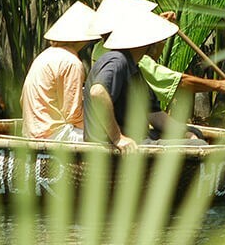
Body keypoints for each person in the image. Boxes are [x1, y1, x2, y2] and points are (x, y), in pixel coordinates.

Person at [87, 0, 225, 110]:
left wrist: (158, 31)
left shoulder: (101, 48)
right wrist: (220, 85)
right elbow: (178, 82)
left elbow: (150, 58)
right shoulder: (120, 58)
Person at [84, 9, 200, 151]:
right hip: (114, 146)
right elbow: (97, 92)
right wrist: (118, 138)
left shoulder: (134, 69)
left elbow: (154, 114)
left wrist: (185, 133)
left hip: (138, 138)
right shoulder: (117, 60)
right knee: (197, 145)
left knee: (195, 134)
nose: (158, 45)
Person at [21, 1, 98, 141]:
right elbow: (73, 114)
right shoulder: (72, 63)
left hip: (33, 131)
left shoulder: (46, 55)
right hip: (53, 134)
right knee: (108, 137)